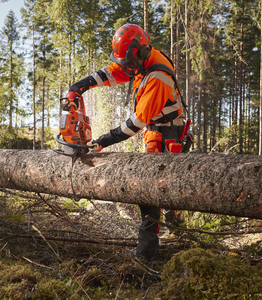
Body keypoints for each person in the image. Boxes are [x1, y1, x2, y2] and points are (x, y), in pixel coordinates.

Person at [64, 23, 189, 261]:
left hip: (169, 135)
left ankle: (147, 254)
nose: (127, 69)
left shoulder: (158, 76)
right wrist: (78, 88)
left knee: (152, 190)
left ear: (141, 53)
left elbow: (137, 122)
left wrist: (102, 141)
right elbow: (110, 73)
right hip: (155, 132)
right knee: (163, 188)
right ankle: (177, 233)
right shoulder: (138, 63)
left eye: (130, 64)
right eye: (125, 64)